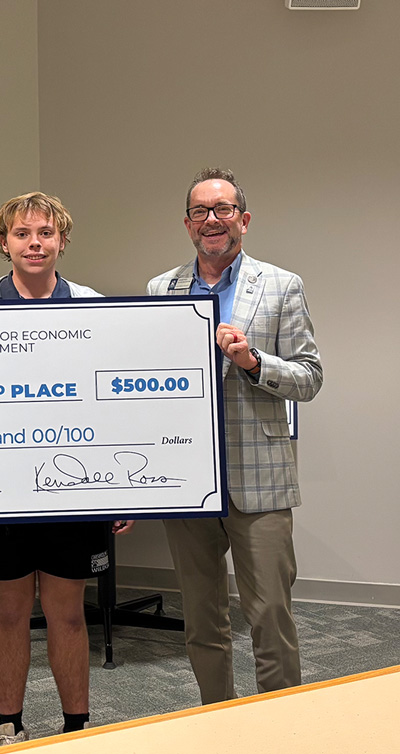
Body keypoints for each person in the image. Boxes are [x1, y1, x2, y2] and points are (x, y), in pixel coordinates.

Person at [0, 191, 132, 746]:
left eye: (45, 233)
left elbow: (114, 399)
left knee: (68, 613)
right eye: (23, 233)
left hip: (72, 486)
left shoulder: (90, 304)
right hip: (3, 490)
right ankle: (10, 726)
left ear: (62, 241)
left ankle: (77, 727)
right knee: (9, 614)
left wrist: (122, 487)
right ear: (3, 242)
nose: (35, 243)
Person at [146, 167, 322, 704]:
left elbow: (310, 377)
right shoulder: (162, 289)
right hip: (189, 482)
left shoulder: (281, 285)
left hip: (259, 480)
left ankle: (280, 728)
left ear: (243, 220)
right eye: (201, 211)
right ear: (187, 224)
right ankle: (216, 721)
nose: (212, 220)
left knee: (269, 615)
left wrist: (252, 362)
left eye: (223, 210)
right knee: (201, 620)